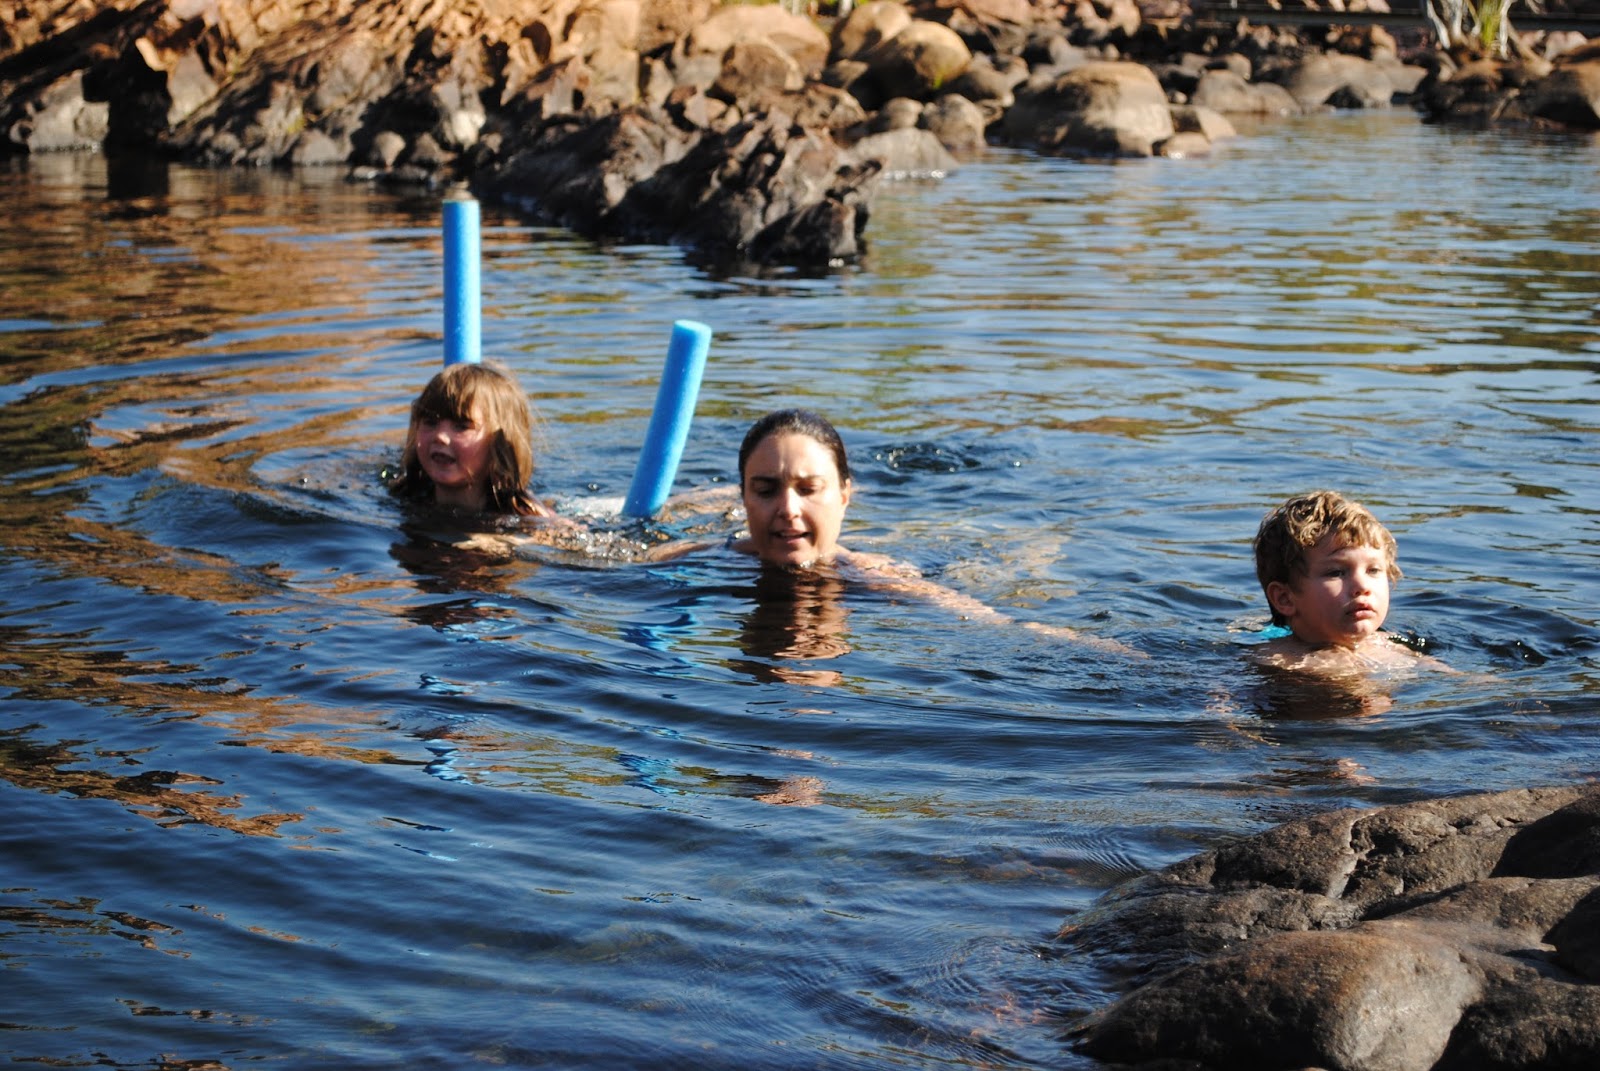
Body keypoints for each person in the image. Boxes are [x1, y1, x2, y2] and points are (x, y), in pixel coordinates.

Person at [675, 408, 1138, 654]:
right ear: (742, 497)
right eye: (766, 489)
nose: (788, 510)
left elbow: (1000, 624)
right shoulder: (695, 558)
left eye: (809, 489)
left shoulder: (875, 578)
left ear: (844, 495)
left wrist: (1133, 661)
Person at [1250, 489, 1445, 674]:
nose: (1362, 587)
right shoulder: (1276, 661)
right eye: (1336, 572)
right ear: (1285, 598)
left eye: (1373, 570)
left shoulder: (1392, 647)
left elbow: (1456, 681)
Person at [390, 361, 564, 520]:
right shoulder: (404, 495)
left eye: (461, 426)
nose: (440, 436)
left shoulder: (525, 515)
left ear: (499, 444)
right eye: (430, 422)